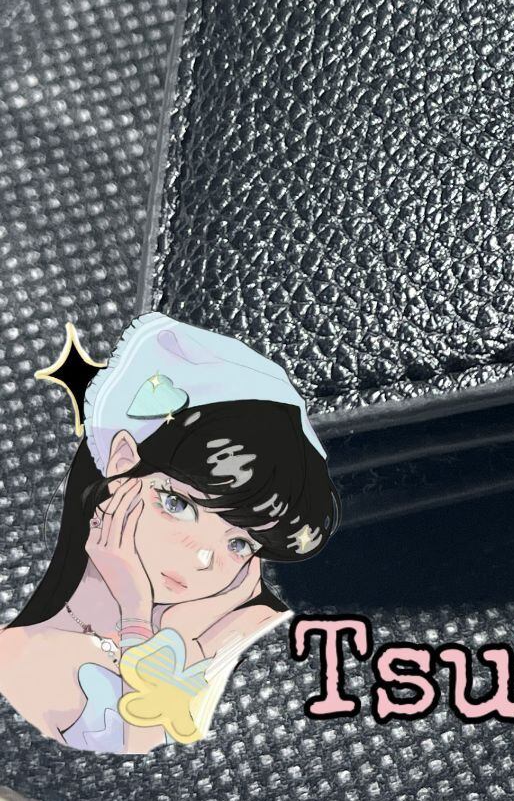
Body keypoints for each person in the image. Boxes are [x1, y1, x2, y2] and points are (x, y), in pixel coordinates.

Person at [0, 314, 339, 752]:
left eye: (239, 543)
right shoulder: (28, 656)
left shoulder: (236, 628)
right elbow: (150, 762)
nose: (202, 558)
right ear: (122, 463)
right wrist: (135, 615)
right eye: (178, 505)